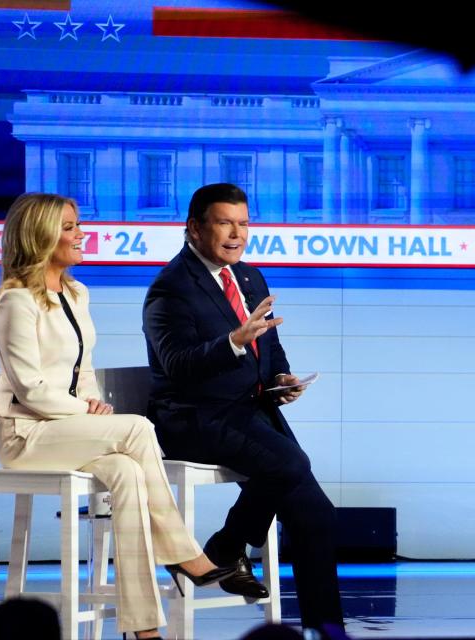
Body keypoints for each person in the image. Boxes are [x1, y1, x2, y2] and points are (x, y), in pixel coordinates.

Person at [0, 193, 235, 639]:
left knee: (126, 470)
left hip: (67, 429)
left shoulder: (74, 292)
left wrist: (91, 402)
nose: (81, 234)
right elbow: (29, 387)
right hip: (26, 435)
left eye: (77, 224)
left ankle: (143, 629)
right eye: (68, 227)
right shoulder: (14, 301)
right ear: (41, 237)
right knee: (138, 428)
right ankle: (184, 553)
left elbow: (81, 368)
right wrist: (82, 409)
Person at [142, 183, 344, 634]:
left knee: (317, 517)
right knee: (290, 462)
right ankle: (222, 550)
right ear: (194, 228)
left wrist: (280, 380)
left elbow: (269, 344)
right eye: (224, 223)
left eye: (244, 223)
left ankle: (327, 629)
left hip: (250, 412)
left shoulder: (249, 277)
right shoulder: (170, 289)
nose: (237, 234)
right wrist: (234, 341)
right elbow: (178, 365)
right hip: (194, 416)